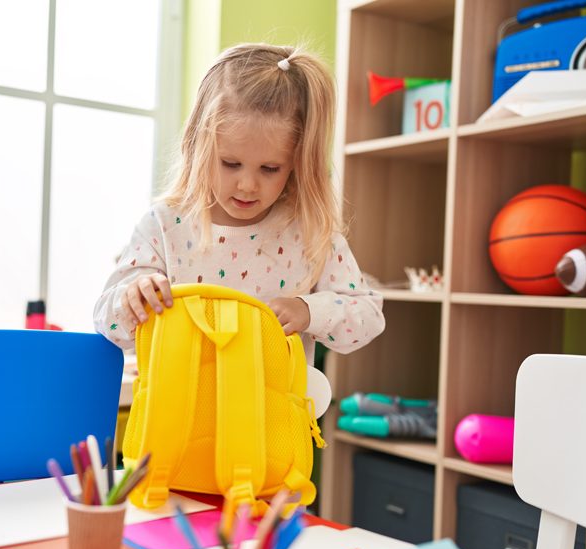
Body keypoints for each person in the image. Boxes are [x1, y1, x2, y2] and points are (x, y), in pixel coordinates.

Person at [94, 43, 384, 365]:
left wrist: (309, 310)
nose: (247, 185)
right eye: (230, 163)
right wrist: (133, 298)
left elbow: (369, 317)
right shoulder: (164, 226)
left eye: (269, 169)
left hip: (270, 413)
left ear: (296, 164)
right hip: (182, 411)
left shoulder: (308, 233)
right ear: (197, 146)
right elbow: (109, 326)